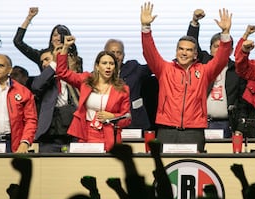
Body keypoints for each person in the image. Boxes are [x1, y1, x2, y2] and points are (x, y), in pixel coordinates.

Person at [140, 2, 233, 152]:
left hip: (194, 131)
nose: (184, 53)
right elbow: (149, 52)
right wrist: (146, 29)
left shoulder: (204, 71)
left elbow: (221, 59)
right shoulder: (165, 69)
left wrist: (225, 34)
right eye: (181, 49)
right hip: (166, 129)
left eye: (189, 50)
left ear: (195, 54)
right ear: (176, 51)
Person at [56, 36, 131, 151]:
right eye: (104, 63)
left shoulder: (122, 89)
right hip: (87, 133)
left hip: (109, 135)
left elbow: (127, 118)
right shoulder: (86, 80)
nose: (108, 67)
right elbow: (62, 73)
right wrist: (65, 47)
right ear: (97, 66)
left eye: (111, 64)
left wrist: (112, 117)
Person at [187, 9, 246, 138]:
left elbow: (242, 101)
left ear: (230, 50)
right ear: (210, 49)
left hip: (226, 124)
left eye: (223, 46)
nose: (219, 50)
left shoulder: (237, 70)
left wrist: (240, 128)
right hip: (200, 122)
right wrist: (195, 22)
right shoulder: (204, 62)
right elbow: (191, 42)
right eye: (215, 46)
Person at [31, 47, 81, 153]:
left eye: (46, 59)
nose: (44, 64)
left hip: (73, 133)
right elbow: (36, 86)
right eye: (42, 61)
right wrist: (53, 63)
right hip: (49, 136)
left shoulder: (75, 77)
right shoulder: (43, 82)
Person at [0, 54, 37, 153]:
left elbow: (30, 120)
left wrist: (25, 142)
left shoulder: (23, 92)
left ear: (10, 70)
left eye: (0, 66)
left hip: (11, 143)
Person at [104, 39, 156, 130]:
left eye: (119, 53)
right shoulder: (96, 76)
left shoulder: (134, 68)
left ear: (123, 56)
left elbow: (156, 66)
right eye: (112, 52)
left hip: (134, 124)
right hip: (107, 124)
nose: (115, 56)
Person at [13, 7, 82, 72]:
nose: (58, 38)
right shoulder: (43, 55)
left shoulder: (74, 58)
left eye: (62, 35)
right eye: (55, 35)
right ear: (51, 39)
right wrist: (29, 18)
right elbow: (18, 42)